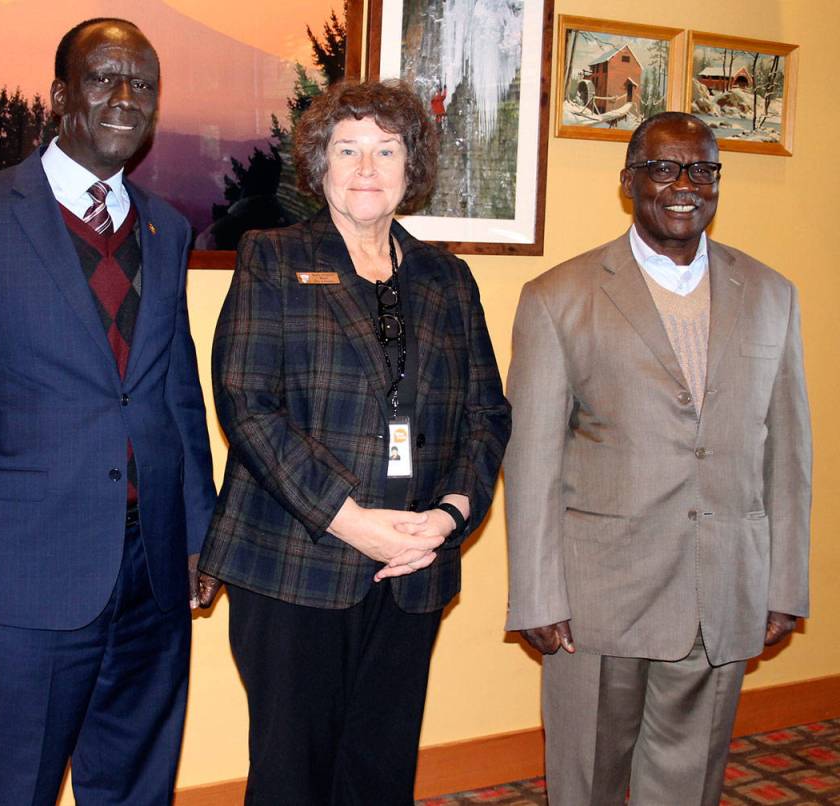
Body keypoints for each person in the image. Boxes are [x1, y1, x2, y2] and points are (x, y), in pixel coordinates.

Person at [0, 18, 216, 805]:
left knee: (139, 785)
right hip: (23, 578)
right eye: (104, 77)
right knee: (14, 788)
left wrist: (203, 533)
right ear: (60, 95)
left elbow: (177, 389)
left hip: (153, 572)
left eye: (142, 83)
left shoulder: (166, 228)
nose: (125, 97)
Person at [196, 80, 511, 805]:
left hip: (413, 565)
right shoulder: (272, 258)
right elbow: (248, 404)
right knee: (292, 775)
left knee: (379, 769)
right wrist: (350, 520)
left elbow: (486, 414)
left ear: (411, 168)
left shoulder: (448, 279)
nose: (366, 168)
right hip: (295, 563)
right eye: (348, 150)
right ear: (321, 164)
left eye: (386, 150)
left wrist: (451, 516)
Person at [504, 111, 811, 805]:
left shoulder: (771, 294)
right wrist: (537, 592)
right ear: (629, 182)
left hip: (724, 589)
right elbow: (531, 462)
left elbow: (789, 454)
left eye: (703, 169)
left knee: (689, 784)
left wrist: (784, 580)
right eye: (664, 168)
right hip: (597, 600)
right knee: (587, 781)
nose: (685, 185)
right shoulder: (559, 298)